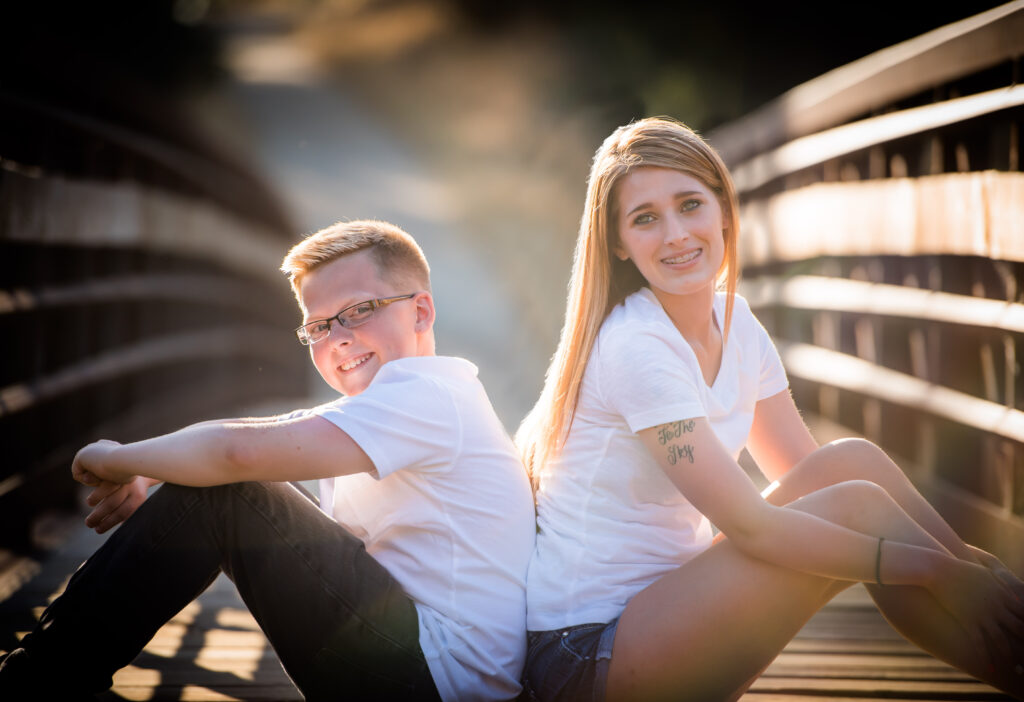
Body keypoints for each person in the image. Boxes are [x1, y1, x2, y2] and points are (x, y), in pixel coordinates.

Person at [516, 116, 1024, 702]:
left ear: (725, 212)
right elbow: (755, 527)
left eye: (690, 204)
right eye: (645, 218)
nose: (676, 233)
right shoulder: (636, 348)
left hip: (668, 610)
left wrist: (966, 569)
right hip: (586, 656)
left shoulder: (736, 324)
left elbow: (811, 479)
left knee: (851, 464)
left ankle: (1001, 599)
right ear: (618, 243)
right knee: (858, 507)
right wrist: (939, 573)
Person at [0, 219, 536, 701]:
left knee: (232, 490)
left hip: (435, 677)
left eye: (359, 311)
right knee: (230, 480)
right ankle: (41, 676)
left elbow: (236, 453)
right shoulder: (410, 399)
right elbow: (258, 434)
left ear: (420, 310)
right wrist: (152, 463)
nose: (339, 339)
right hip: (422, 664)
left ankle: (34, 681)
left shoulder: (428, 395)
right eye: (319, 326)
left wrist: (119, 458)